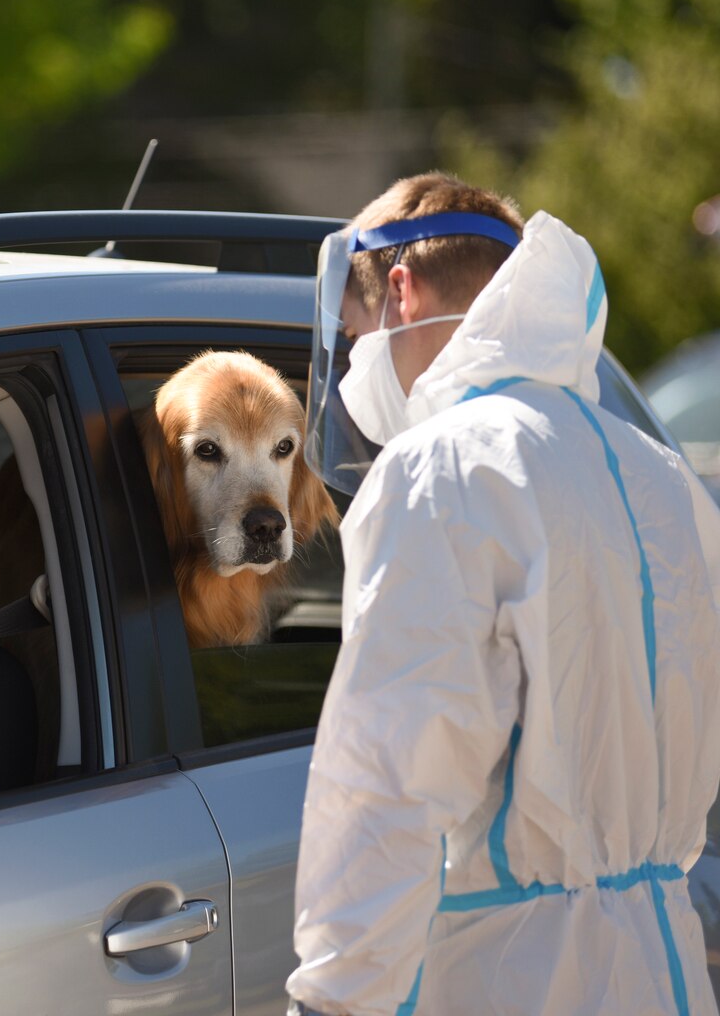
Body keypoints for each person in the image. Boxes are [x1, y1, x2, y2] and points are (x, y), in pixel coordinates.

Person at [290, 172, 720, 1015]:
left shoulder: (440, 470)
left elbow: (390, 779)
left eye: (352, 332)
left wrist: (335, 998)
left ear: (401, 293)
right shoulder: (661, 477)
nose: (353, 364)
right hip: (661, 969)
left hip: (510, 977)